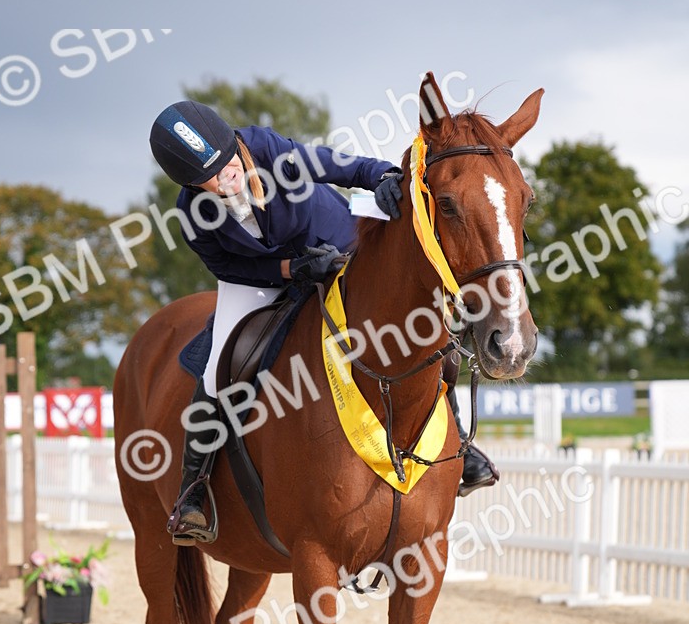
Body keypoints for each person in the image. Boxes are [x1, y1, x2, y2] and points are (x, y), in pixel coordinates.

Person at [148, 100, 496, 544]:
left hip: (336, 240)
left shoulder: (263, 147)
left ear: (235, 143)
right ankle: (193, 491)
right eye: (209, 177)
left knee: (420, 324)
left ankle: (460, 447)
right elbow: (227, 267)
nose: (226, 176)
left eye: (228, 161)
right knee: (218, 369)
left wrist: (380, 176)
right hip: (262, 278)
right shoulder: (193, 216)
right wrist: (290, 271)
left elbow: (328, 164)